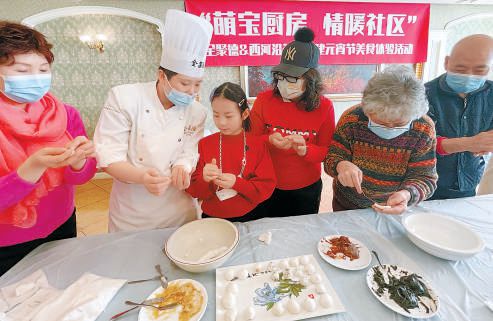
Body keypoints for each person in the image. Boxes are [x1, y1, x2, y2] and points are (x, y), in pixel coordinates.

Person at [93, 10, 213, 232]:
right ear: (161, 75)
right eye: (185, 83)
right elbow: (108, 156)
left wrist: (182, 165)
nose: (191, 92)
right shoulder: (125, 98)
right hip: (134, 211)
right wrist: (142, 176)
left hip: (180, 207)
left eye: (197, 84)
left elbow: (190, 150)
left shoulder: (197, 111)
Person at [0, 22, 97, 275]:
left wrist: (78, 162)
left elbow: (84, 174)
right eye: (22, 70)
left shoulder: (65, 114)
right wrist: (32, 168)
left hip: (62, 225)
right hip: (7, 243)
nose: (36, 78)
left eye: (43, 69)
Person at [324, 66, 437, 215]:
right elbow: (331, 158)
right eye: (381, 122)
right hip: (347, 204)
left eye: (398, 124)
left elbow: (425, 177)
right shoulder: (352, 119)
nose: (390, 127)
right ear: (367, 108)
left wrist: (406, 195)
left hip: (394, 206)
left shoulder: (423, 128)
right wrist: (341, 165)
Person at [250, 27, 335, 217]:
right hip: (266, 183)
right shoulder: (264, 100)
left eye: (293, 78)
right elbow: (250, 140)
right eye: (281, 76)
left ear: (311, 79)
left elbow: (328, 150)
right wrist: (269, 140)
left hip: (305, 189)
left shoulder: (324, 107)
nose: (284, 83)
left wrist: (306, 151)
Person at [187, 82, 276, 222]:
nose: (221, 122)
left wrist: (237, 183)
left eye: (228, 116)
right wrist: (204, 179)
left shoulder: (257, 144)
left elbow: (265, 188)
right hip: (213, 217)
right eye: (216, 115)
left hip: (251, 215)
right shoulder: (205, 144)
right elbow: (193, 190)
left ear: (245, 114)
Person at [425, 34, 493, 200]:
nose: (469, 76)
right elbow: (416, 143)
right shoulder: (423, 95)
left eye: (479, 70)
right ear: (447, 62)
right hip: (425, 186)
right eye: (461, 69)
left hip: (469, 184)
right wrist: (470, 143)